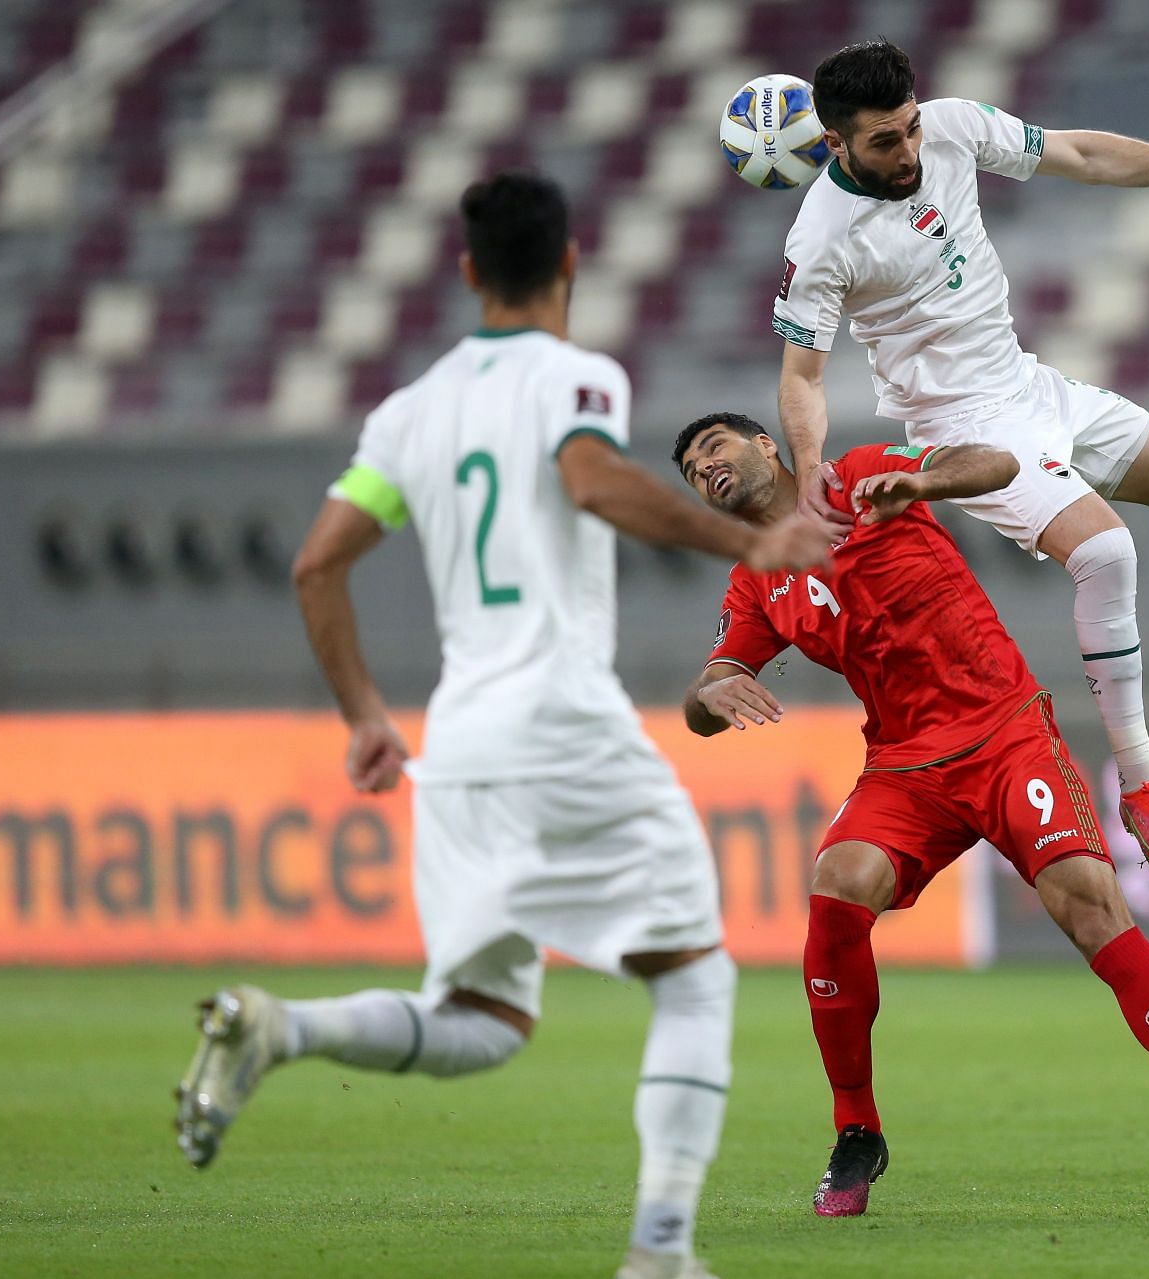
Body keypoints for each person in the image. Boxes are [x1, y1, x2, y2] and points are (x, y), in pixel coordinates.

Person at [173, 172, 832, 1279]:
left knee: (479, 1020)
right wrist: (747, 543)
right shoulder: (575, 376)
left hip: (462, 743)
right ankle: (661, 1250)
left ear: (469, 270)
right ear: (571, 264)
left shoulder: (409, 409)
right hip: (563, 722)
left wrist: (365, 717)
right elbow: (588, 480)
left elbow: (316, 563)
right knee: (695, 978)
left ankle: (283, 1027)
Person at [672, 412, 1149, 1219]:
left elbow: (995, 463)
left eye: (714, 447)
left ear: (765, 447)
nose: (703, 466)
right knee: (836, 885)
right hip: (904, 763)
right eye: (688, 468)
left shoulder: (852, 476)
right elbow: (706, 690)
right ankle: (857, 1131)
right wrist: (708, 697)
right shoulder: (757, 577)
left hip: (1003, 731)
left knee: (1093, 911)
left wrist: (922, 481)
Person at [773, 39, 1149, 870]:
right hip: (960, 428)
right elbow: (802, 375)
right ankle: (1142, 784)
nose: (906, 151)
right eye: (882, 142)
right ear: (834, 144)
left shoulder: (952, 127)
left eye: (907, 128)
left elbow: (1079, 152)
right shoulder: (821, 240)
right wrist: (808, 469)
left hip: (1027, 386)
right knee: (1108, 552)